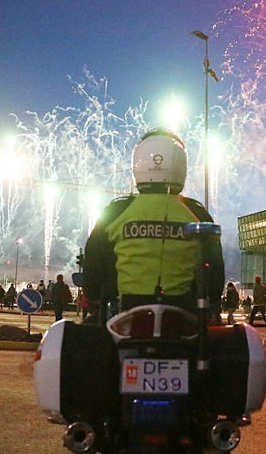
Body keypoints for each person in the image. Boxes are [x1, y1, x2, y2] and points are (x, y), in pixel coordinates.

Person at [83, 128, 224, 319]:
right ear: (181, 165)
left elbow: (93, 269)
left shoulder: (116, 212)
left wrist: (97, 296)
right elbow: (214, 279)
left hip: (123, 320)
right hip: (183, 323)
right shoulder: (197, 214)